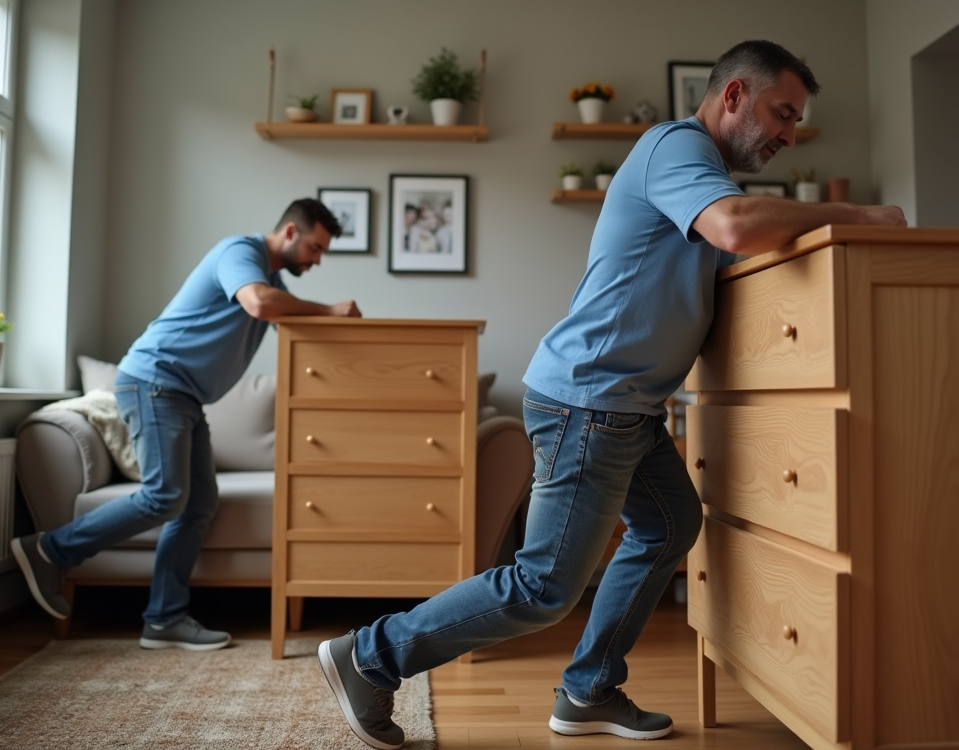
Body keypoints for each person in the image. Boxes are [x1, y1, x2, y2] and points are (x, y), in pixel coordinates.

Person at [317, 39, 906, 749]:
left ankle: (589, 689)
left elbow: (730, 252)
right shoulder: (676, 147)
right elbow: (735, 227)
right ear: (733, 96)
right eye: (783, 113)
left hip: (624, 407)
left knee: (669, 526)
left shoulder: (701, 174)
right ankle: (370, 656)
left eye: (796, 121)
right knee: (543, 587)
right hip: (589, 403)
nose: (789, 133)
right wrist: (859, 217)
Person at [11, 198, 362, 651]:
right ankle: (50, 549)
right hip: (154, 382)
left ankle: (164, 618)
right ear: (291, 232)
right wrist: (329, 309)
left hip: (182, 396)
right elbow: (258, 304)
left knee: (198, 504)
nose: (317, 260)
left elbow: (294, 325)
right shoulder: (241, 253)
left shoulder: (272, 282)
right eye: (316, 247)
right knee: (165, 495)